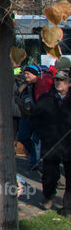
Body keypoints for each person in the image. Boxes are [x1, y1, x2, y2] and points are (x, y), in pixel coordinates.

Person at [30, 69, 71, 212]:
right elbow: (34, 118)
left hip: (68, 145)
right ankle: (48, 196)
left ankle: (68, 209)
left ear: (69, 83)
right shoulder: (46, 99)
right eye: (56, 80)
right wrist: (43, 134)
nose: (58, 83)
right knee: (49, 176)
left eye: (62, 80)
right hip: (50, 144)